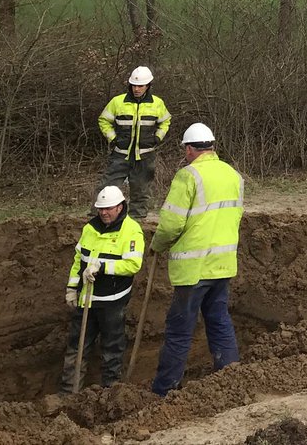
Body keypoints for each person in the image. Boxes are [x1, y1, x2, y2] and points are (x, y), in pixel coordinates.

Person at [150, 122, 244, 396]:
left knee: (179, 330)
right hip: (223, 265)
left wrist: (157, 244)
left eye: (185, 150)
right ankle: (231, 377)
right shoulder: (233, 175)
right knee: (219, 320)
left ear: (190, 149)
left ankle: (164, 390)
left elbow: (171, 224)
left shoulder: (188, 176)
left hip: (194, 268)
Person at [60, 186, 144, 390]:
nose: (104, 213)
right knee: (77, 346)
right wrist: (72, 288)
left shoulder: (131, 230)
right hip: (86, 299)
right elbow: (78, 260)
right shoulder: (90, 228)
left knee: (112, 348)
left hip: (111, 302)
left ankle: (110, 391)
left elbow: (133, 265)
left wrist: (103, 267)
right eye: (101, 209)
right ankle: (69, 392)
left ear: (120, 207)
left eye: (108, 208)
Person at [97, 66, 172, 221]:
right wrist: (113, 138)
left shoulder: (157, 103)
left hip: (145, 155)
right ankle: (97, 217)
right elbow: (104, 120)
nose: (136, 89)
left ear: (148, 86)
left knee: (141, 189)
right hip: (121, 153)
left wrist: (157, 137)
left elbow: (166, 121)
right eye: (134, 85)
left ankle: (137, 220)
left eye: (140, 86)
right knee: (107, 186)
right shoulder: (117, 102)